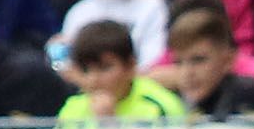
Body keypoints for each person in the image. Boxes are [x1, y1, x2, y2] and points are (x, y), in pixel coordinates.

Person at [161, 1, 254, 114]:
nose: (187, 73)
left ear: (228, 60)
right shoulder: (187, 100)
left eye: (199, 60)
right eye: (178, 62)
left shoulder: (248, 95)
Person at [58, 19, 191, 119]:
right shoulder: (71, 109)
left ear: (130, 66)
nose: (93, 79)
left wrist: (109, 124)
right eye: (85, 70)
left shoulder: (160, 107)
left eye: (104, 68)